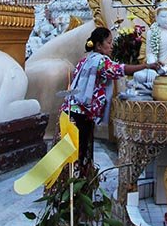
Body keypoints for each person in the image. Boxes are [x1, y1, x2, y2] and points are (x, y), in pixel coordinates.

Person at [61, 26, 149, 174]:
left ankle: (70, 186)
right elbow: (120, 70)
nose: (111, 46)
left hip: (70, 110)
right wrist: (146, 66)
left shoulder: (85, 60)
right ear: (99, 45)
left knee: (68, 152)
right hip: (80, 115)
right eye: (108, 42)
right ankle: (76, 187)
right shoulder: (100, 62)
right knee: (78, 153)